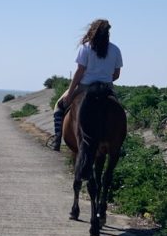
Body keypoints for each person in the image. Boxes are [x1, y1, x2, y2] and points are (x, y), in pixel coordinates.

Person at [52, 19, 123, 151]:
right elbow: (117, 75)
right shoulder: (115, 49)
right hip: (106, 87)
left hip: (85, 87)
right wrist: (104, 80)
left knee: (59, 106)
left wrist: (71, 91)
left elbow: (79, 72)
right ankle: (118, 143)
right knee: (118, 112)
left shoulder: (86, 47)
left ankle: (57, 139)